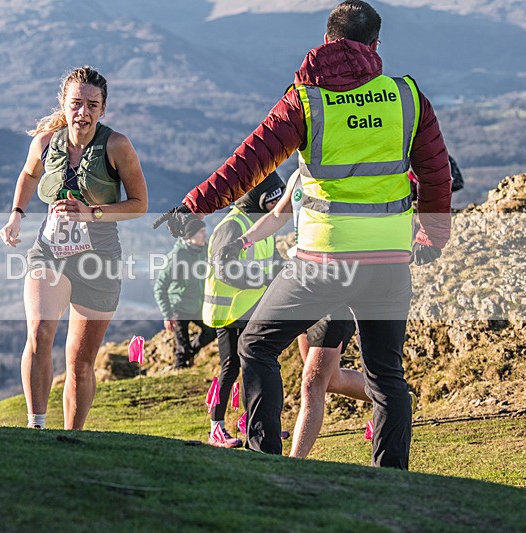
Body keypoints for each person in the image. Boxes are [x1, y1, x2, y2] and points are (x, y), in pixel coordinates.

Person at [156, 1, 452, 468]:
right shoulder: (407, 96)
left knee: (256, 346)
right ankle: (392, 480)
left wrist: (193, 206)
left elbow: (249, 162)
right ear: (376, 46)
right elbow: (436, 173)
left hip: (323, 262)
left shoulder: (307, 99)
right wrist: (433, 237)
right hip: (389, 263)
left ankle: (264, 460)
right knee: (386, 375)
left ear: (329, 41)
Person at [0, 66, 148, 430]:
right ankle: (35, 426)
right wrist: (17, 215)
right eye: (76, 103)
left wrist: (91, 212)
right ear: (63, 105)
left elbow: (140, 204)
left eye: (91, 105)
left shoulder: (117, 146)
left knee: (80, 361)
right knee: (39, 334)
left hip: (99, 258)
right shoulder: (45, 142)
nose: (83, 112)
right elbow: (29, 174)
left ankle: (72, 439)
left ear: (103, 109)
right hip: (49, 249)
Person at [223, 170, 371, 458]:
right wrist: (241, 242)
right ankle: (392, 398)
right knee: (330, 380)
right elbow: (278, 215)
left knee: (312, 383)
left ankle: (294, 462)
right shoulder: (298, 176)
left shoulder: (346, 173)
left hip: (334, 287)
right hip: (302, 281)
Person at [202, 173, 285, 448]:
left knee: (254, 364)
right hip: (228, 313)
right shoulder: (232, 226)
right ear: (257, 198)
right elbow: (223, 269)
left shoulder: (261, 224)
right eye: (273, 199)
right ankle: (216, 427)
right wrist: (262, 279)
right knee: (230, 368)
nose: (277, 206)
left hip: (252, 309)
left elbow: (273, 260)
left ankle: (253, 422)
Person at [153, 218, 217, 369]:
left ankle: (188, 355)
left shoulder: (204, 250)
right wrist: (167, 315)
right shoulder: (177, 256)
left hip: (198, 306)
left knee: (211, 332)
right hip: (179, 308)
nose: (205, 235)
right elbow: (159, 287)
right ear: (191, 236)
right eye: (202, 232)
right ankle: (179, 370)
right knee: (182, 346)